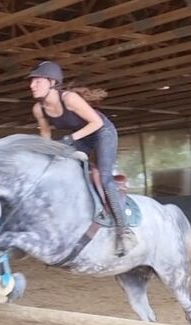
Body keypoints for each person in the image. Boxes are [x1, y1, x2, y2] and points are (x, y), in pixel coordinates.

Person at [28, 60, 136, 257]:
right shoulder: (39, 109)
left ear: (52, 82)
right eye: (32, 82)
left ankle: (124, 231)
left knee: (104, 178)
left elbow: (95, 122)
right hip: (81, 136)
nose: (31, 85)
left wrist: (70, 139)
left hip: (102, 132)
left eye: (37, 81)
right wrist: (47, 159)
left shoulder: (69, 98)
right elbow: (46, 137)